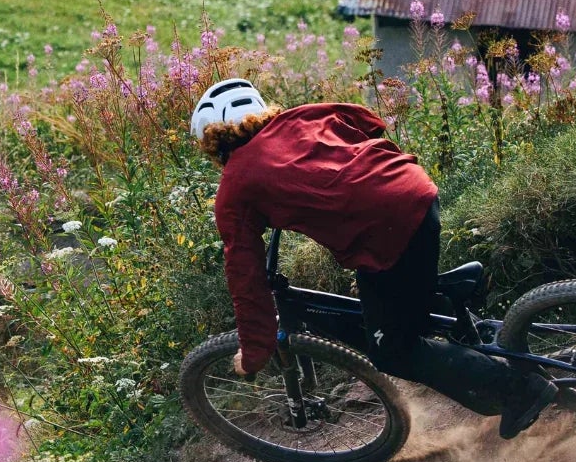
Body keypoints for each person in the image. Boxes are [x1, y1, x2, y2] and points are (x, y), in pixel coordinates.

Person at [192, 77, 556, 439]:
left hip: (387, 228)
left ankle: (520, 392)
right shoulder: (303, 116)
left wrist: (254, 353)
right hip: (414, 188)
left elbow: (245, 278)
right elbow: (368, 120)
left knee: (393, 351)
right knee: (393, 289)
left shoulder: (235, 187)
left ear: (212, 142)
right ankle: (455, 302)